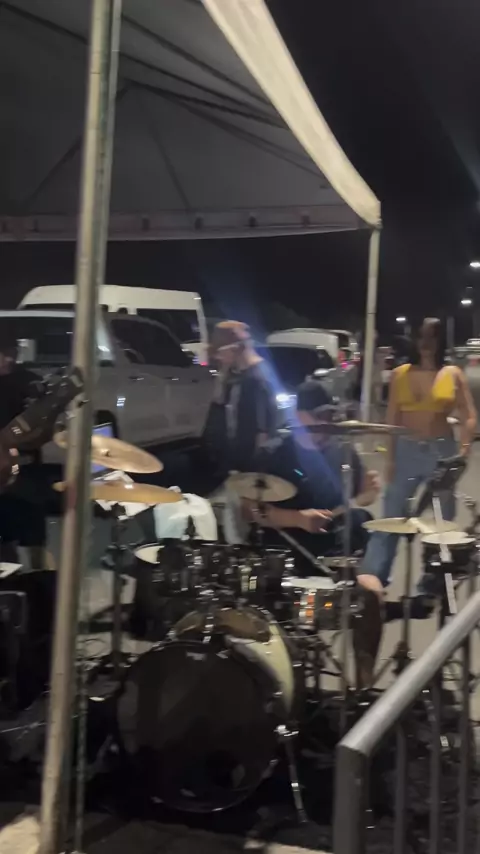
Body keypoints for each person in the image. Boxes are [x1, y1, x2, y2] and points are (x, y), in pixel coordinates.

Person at [237, 380, 382, 686]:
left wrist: (368, 493)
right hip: (284, 563)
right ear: (298, 415)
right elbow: (249, 510)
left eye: (329, 415)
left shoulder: (342, 451)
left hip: (330, 561)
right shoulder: (274, 453)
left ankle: (363, 688)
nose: (325, 423)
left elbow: (361, 496)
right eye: (318, 416)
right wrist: (297, 519)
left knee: (371, 593)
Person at [360, 317, 477, 594]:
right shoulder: (400, 374)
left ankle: (432, 581)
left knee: (441, 522)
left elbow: (469, 415)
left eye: (432, 337)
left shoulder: (452, 374)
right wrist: (390, 459)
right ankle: (374, 582)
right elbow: (391, 420)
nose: (426, 343)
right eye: (421, 336)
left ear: (440, 341)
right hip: (406, 450)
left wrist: (464, 449)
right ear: (414, 340)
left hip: (442, 452)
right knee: (391, 519)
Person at [0, 336, 48, 568]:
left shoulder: (30, 382)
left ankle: (40, 580)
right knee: (4, 543)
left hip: (28, 472)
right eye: (3, 354)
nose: (9, 359)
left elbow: (44, 428)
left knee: (36, 541)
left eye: (13, 353)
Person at [208, 320, 278, 473]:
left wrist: (256, 459)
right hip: (234, 450)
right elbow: (219, 401)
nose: (218, 358)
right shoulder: (235, 374)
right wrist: (224, 372)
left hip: (250, 455)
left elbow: (264, 423)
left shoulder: (257, 376)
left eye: (220, 352)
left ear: (235, 349)